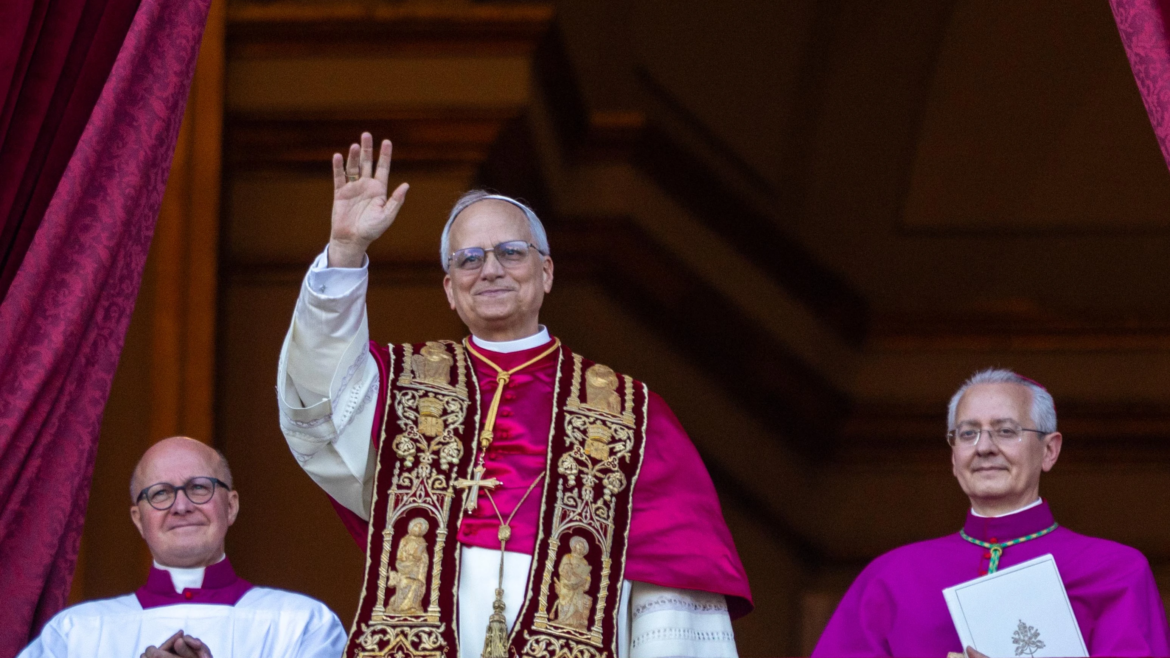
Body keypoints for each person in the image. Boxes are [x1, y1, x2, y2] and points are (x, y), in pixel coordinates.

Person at [277, 133, 750, 658]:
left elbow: (674, 591)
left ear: (546, 273)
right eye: (468, 259)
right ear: (450, 290)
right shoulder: (400, 384)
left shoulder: (632, 414)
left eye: (510, 252)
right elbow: (317, 398)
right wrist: (346, 252)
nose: (490, 269)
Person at [812, 369, 1170, 657]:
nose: (984, 447)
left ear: (1049, 450)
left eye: (1006, 431)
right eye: (968, 433)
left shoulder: (1115, 572)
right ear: (954, 458)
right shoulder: (891, 577)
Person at [19, 437, 346, 658]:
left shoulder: (303, 624)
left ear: (231, 506)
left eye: (199, 487)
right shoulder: (75, 633)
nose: (181, 506)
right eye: (160, 493)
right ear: (138, 519)